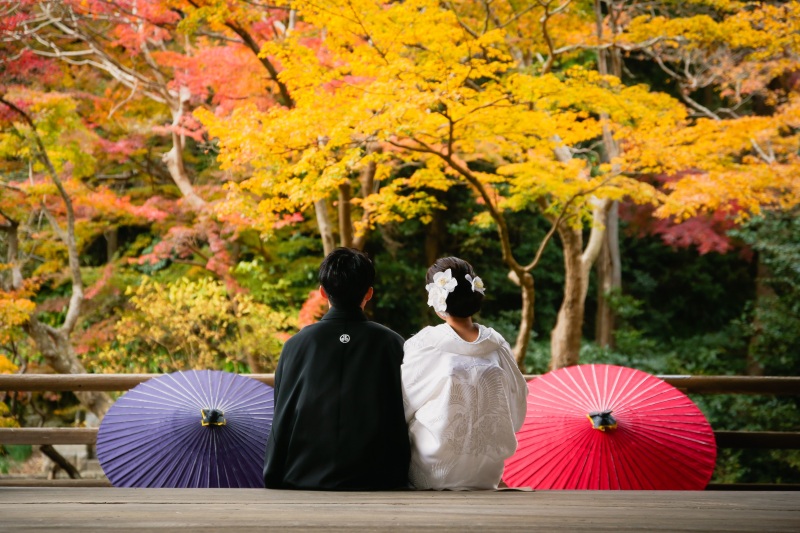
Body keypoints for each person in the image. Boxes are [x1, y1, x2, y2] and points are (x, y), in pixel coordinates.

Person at [263, 247, 410, 490]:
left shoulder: (296, 345)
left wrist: (274, 473)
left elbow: (282, 413)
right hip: (379, 478)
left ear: (322, 292)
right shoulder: (392, 343)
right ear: (369, 293)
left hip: (301, 476)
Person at [402, 257, 528, 490]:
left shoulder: (426, 344)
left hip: (434, 472)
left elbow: (403, 406)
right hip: (486, 472)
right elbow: (517, 406)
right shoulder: (497, 344)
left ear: (437, 299)